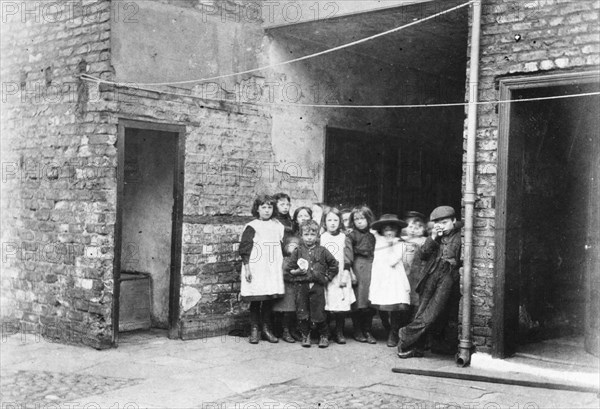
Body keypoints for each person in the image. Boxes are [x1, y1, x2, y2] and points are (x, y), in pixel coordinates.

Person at [397, 206, 462, 358]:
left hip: (447, 277)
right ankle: (415, 346)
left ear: (454, 220)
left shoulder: (461, 236)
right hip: (430, 276)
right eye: (437, 223)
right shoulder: (435, 236)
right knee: (421, 311)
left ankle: (405, 334)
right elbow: (422, 255)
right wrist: (433, 237)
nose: (441, 226)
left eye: (444, 222)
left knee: (432, 314)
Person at [284, 220, 339, 348]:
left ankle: (324, 335)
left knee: (319, 311)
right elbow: (289, 269)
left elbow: (334, 265)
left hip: (317, 285)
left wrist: (326, 278)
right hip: (301, 286)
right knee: (302, 312)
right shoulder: (298, 251)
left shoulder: (323, 251)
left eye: (312, 235)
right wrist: (297, 272)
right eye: (306, 234)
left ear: (317, 236)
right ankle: (305, 335)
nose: (309, 238)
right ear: (301, 235)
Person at [239, 195, 285, 344]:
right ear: (257, 209)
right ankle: (254, 330)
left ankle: (266, 329)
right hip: (256, 266)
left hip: (271, 267)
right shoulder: (252, 226)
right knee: (255, 298)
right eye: (263, 207)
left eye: (270, 207)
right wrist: (247, 268)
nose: (267, 210)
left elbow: (281, 246)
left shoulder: (278, 225)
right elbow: (245, 248)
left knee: (268, 299)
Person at [369, 214, 411, 347]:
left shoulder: (400, 244)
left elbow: (393, 261)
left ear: (397, 230)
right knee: (380, 304)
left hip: (394, 278)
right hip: (380, 278)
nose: (389, 232)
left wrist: (391, 245)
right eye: (386, 229)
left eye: (392, 229)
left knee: (395, 305)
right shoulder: (378, 240)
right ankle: (386, 326)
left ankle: (393, 332)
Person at [273, 205, 313, 342]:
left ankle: (296, 329)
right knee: (289, 303)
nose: (303, 218)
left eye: (306, 216)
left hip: (306, 271)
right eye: (300, 216)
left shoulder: (313, 234)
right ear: (295, 219)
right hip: (291, 268)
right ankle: (285, 330)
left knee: (300, 303)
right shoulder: (290, 233)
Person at [320, 207, 355, 344]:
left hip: (340, 274)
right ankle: (327, 330)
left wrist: (346, 274)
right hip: (327, 274)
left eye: (335, 220)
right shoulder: (321, 238)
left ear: (340, 221)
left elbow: (348, 257)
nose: (333, 223)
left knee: (340, 303)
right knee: (327, 302)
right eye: (329, 220)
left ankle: (339, 331)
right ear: (324, 222)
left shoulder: (344, 238)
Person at [345, 205, 377, 344]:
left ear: (368, 219)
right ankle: (357, 330)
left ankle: (368, 330)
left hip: (373, 266)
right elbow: (348, 254)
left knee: (370, 301)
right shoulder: (351, 235)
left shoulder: (374, 235)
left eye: (362, 218)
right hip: (358, 266)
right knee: (359, 300)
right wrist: (350, 271)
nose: (359, 221)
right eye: (356, 219)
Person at [401, 211, 428, 312]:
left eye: (417, 228)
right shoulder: (402, 240)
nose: (413, 230)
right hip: (405, 271)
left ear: (423, 229)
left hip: (417, 272)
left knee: (416, 294)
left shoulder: (423, 241)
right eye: (410, 227)